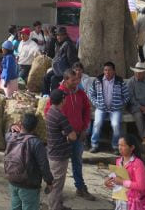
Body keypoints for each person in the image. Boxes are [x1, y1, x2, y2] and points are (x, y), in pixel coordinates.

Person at [44, 68, 95, 200]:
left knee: (77, 162)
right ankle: (54, 191)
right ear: (66, 80)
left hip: (78, 134)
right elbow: (48, 112)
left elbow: (87, 109)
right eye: (73, 80)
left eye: (77, 79)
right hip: (62, 139)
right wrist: (60, 132)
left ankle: (80, 187)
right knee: (58, 167)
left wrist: (84, 128)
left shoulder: (81, 93)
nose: (77, 82)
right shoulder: (58, 94)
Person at [5, 114, 54, 210]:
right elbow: (43, 165)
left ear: (21, 125)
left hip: (13, 180)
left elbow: (7, 133)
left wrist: (11, 127)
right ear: (35, 127)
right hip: (29, 185)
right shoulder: (36, 143)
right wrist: (49, 181)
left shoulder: (10, 137)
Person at [45, 89, 77, 210]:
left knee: (56, 182)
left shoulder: (50, 112)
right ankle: (53, 207)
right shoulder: (60, 116)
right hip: (59, 154)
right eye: (65, 98)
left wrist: (64, 133)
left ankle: (57, 205)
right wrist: (67, 133)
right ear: (62, 100)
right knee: (56, 184)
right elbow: (73, 136)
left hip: (52, 151)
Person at [88, 61, 130, 154]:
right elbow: (91, 93)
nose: (107, 72)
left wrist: (120, 104)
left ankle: (115, 146)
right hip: (101, 108)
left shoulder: (119, 81)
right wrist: (96, 103)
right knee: (97, 123)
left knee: (115, 125)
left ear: (114, 71)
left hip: (115, 109)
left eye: (109, 70)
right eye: (105, 70)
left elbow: (127, 96)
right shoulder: (98, 80)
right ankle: (94, 145)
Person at [105, 134, 145, 210]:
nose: (120, 148)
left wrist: (122, 182)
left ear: (132, 147)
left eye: (123, 145)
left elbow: (141, 186)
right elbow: (117, 179)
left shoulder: (137, 163)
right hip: (120, 199)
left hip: (134, 202)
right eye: (119, 145)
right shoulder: (119, 161)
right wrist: (108, 182)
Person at [43, 27, 78, 95]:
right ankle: (45, 95)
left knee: (54, 79)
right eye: (57, 35)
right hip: (58, 70)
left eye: (61, 35)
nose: (58, 37)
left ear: (65, 35)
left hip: (65, 71)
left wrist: (70, 74)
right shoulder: (58, 44)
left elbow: (72, 61)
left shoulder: (68, 45)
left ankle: (54, 98)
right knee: (46, 77)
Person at [128, 62, 145, 144]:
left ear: (144, 73)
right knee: (139, 116)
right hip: (135, 106)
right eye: (136, 72)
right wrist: (141, 107)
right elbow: (131, 98)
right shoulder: (131, 82)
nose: (137, 74)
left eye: (140, 73)